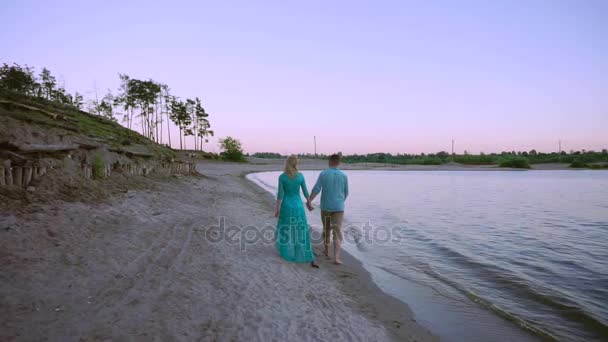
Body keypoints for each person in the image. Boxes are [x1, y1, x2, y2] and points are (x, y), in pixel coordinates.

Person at [275, 156, 319, 268]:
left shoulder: (282, 177)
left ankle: (286, 251)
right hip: (298, 206)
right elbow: (305, 192)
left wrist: (277, 209)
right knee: (301, 229)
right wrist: (309, 203)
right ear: (296, 164)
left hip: (286, 205)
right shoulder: (300, 176)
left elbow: (280, 195)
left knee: (285, 228)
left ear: (287, 163)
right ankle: (300, 251)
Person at [307, 154, 349, 265]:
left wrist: (309, 200)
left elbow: (316, 189)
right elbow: (346, 193)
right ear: (339, 163)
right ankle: (336, 258)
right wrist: (340, 201)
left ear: (329, 162)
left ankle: (326, 251)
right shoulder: (344, 176)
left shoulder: (323, 174)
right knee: (337, 232)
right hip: (339, 208)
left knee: (326, 229)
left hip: (326, 207)